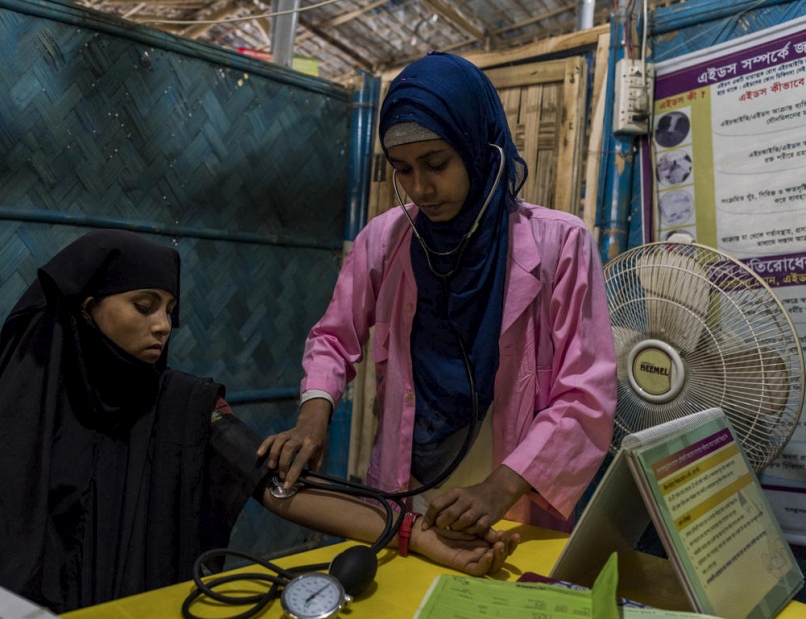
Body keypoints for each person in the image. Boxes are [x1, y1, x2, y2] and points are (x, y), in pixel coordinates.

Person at [0, 229, 517, 614]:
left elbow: (279, 486)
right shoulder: (21, 417)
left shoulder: (187, 405)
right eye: (145, 305)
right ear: (89, 307)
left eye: (171, 310)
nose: (164, 326)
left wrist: (417, 535)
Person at [259, 52, 617, 538]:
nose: (421, 188)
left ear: (478, 146)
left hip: (512, 500)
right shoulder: (385, 241)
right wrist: (313, 415)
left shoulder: (562, 245)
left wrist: (497, 490)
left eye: (436, 163)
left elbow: (586, 394)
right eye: (402, 169)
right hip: (406, 491)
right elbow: (332, 337)